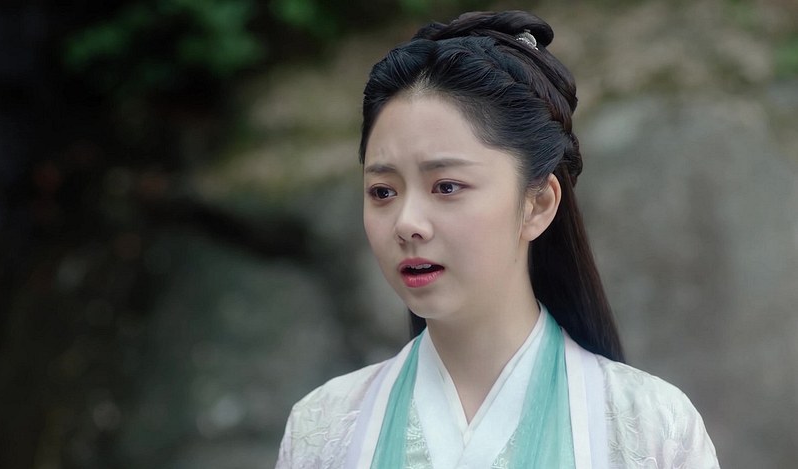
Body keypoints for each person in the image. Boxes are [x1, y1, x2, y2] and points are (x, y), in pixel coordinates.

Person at [275, 10, 719, 469]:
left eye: (446, 186)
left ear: (538, 204)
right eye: (383, 192)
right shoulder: (323, 428)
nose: (407, 223)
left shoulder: (651, 427)